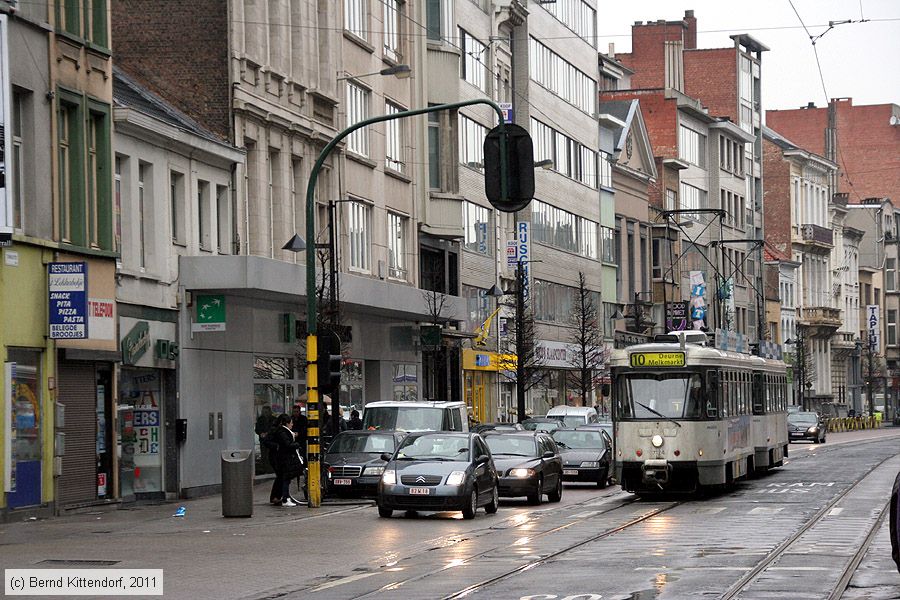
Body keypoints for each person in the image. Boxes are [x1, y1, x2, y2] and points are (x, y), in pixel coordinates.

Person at [270, 414, 303, 507]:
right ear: (287, 423)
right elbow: (287, 444)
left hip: (284, 458)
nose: (292, 425)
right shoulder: (283, 432)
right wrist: (296, 444)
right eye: (291, 423)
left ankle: (284, 497)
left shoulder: (283, 431)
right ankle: (285, 498)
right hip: (285, 459)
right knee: (285, 478)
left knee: (285, 478)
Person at [255, 406, 276, 475]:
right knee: (264, 455)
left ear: (269, 412)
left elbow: (275, 429)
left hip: (271, 440)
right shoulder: (260, 419)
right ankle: (265, 469)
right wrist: (261, 433)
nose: (265, 413)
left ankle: (271, 469)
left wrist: (268, 433)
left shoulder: (274, 419)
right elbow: (257, 429)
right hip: (263, 440)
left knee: (271, 455)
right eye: (264, 412)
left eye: (266, 412)